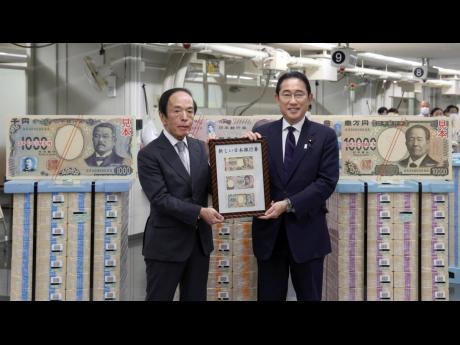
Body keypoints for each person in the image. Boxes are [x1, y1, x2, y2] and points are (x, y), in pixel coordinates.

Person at [244, 71, 339, 301]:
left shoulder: (324, 136)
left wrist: (288, 204)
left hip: (308, 233)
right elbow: (248, 179)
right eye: (286, 94)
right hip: (270, 237)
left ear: (310, 98)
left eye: (299, 94)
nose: (293, 101)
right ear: (277, 98)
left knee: (310, 296)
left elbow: (326, 182)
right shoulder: (261, 135)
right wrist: (243, 151)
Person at [137, 87, 224, 301]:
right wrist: (199, 211)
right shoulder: (149, 154)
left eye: (190, 111)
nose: (185, 117)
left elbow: (212, 186)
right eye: (177, 111)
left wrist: (229, 161)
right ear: (163, 117)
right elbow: (160, 199)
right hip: (166, 245)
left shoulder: (200, 148)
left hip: (198, 243)